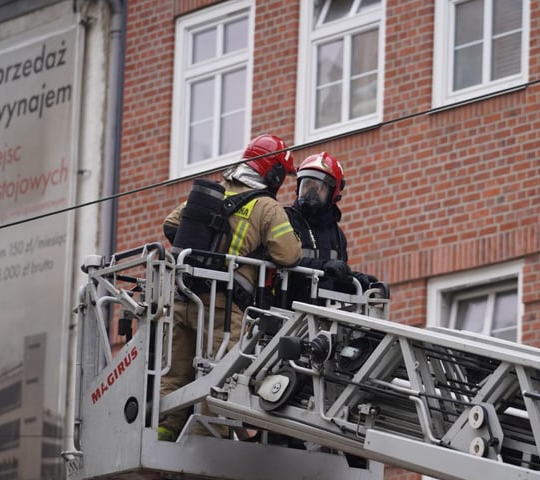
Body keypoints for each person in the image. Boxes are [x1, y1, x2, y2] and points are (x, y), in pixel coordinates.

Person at [158, 134, 301, 441]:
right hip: (223, 310)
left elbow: (171, 224)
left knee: (175, 377)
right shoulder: (266, 206)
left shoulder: (212, 193)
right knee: (219, 377)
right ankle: (204, 444)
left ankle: (165, 433)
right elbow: (289, 255)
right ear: (272, 173)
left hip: (183, 297)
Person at [279, 151, 379, 307]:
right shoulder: (286, 220)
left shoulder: (337, 235)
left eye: (319, 187)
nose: (310, 192)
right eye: (307, 185)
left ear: (333, 193)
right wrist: (323, 266)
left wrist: (361, 281)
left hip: (323, 313)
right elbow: (281, 261)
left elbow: (336, 276)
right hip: (288, 306)